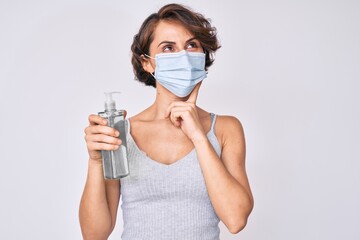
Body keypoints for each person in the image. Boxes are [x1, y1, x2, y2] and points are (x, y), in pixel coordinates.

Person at [79, 3, 253, 240]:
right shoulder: (122, 133)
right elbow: (94, 234)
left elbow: (236, 219)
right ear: (147, 63)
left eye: (192, 45)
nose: (183, 55)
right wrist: (95, 162)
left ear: (203, 56)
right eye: (168, 48)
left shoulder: (225, 129)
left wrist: (198, 136)